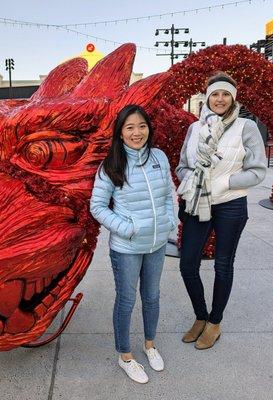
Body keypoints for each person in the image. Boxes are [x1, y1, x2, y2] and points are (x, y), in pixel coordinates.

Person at [176, 72, 267, 350]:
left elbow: (257, 171)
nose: (220, 99)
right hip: (197, 202)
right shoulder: (194, 129)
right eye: (215, 93)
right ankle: (201, 316)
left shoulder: (246, 127)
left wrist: (223, 182)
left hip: (230, 203)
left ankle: (215, 322)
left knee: (223, 264)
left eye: (226, 94)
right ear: (207, 97)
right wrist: (194, 180)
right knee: (187, 264)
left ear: (233, 98)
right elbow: (181, 166)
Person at [90, 104, 177, 384]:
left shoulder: (159, 158)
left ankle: (149, 345)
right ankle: (125, 355)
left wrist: (169, 220)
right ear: (120, 132)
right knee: (126, 300)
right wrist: (128, 228)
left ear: (148, 128)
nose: (137, 132)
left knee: (152, 296)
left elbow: (167, 194)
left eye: (141, 126)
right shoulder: (112, 165)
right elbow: (98, 207)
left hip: (157, 244)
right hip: (126, 248)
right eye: (130, 127)